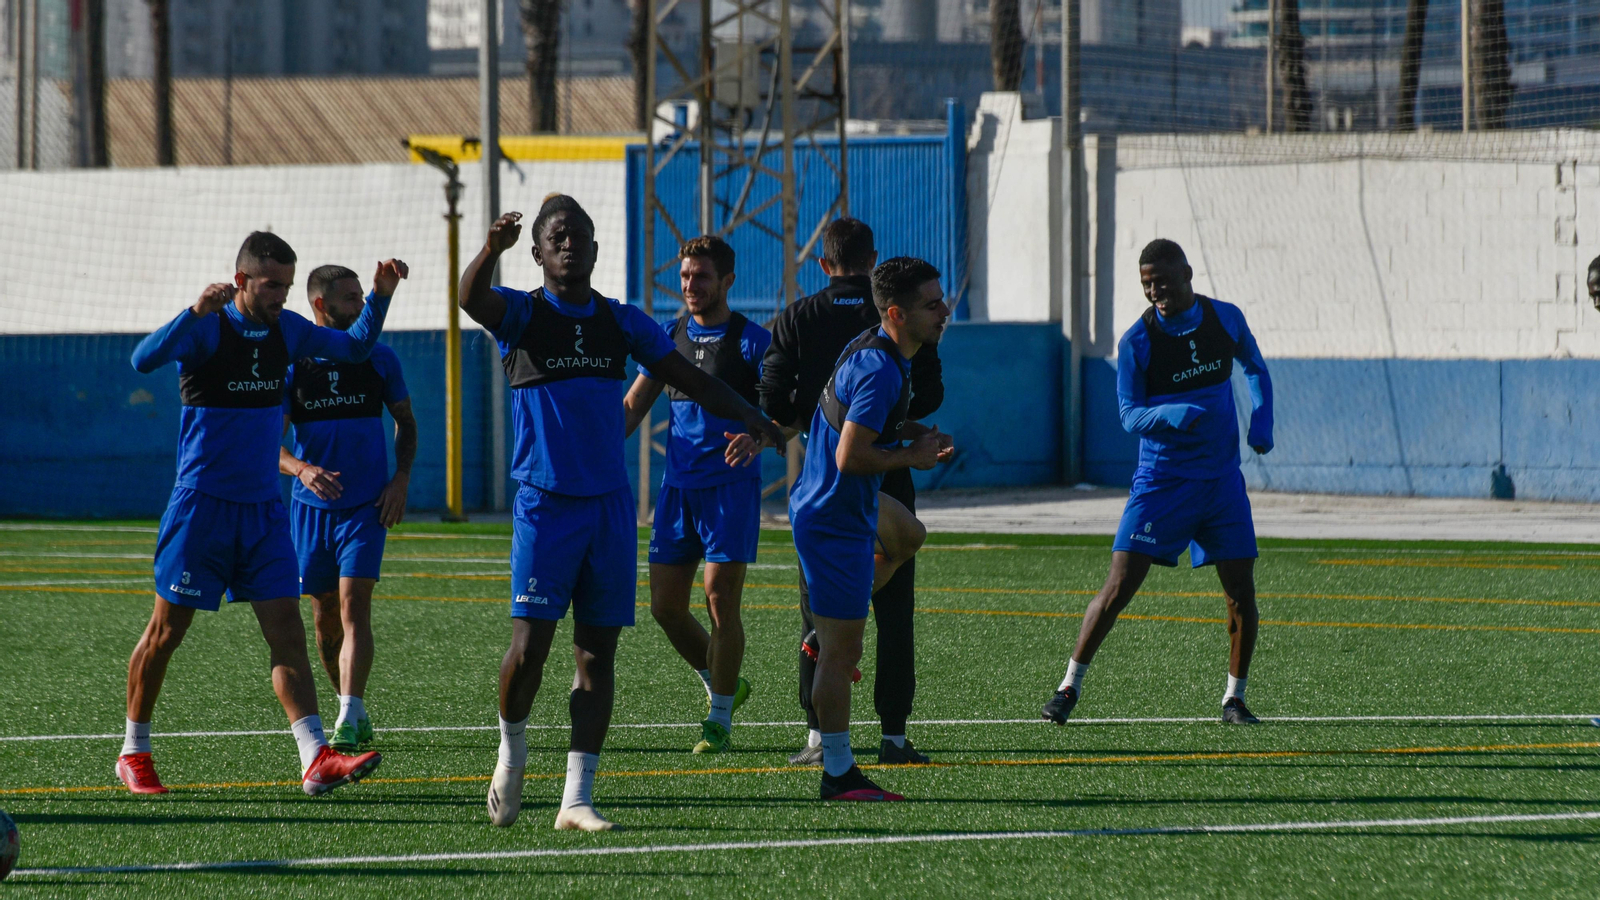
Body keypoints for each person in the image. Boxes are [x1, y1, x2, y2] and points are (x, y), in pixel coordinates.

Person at [459, 195, 784, 832]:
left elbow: (691, 379)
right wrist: (490, 251)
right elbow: (471, 298)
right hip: (544, 506)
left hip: (609, 511)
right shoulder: (523, 314)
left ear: (596, 248)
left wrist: (753, 417)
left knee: (596, 656)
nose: (569, 244)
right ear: (538, 253)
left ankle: (576, 799)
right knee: (529, 650)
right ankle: (512, 755)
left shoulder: (622, 320)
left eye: (579, 234)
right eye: (557, 236)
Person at [123, 232, 405, 796]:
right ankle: (134, 750)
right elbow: (143, 359)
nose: (281, 295)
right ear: (242, 280)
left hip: (263, 513)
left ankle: (315, 757)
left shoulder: (289, 331)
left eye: (287, 285)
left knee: (288, 633)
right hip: (201, 507)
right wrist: (192, 312)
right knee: (167, 632)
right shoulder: (208, 328)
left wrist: (380, 296)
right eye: (272, 284)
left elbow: (354, 349)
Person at [1041, 238, 1274, 727]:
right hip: (1162, 481)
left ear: (1187, 273)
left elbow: (1255, 367)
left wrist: (1262, 419)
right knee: (1119, 585)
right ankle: (1068, 687)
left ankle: (1234, 700)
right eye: (1147, 284)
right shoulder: (1138, 341)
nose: (1155, 292)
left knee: (1240, 593)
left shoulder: (1225, 318)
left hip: (1221, 483)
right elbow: (1129, 416)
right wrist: (1170, 413)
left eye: (1163, 281)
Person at [758, 217, 945, 766]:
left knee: (909, 536)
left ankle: (829, 737)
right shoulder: (881, 367)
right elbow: (850, 455)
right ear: (896, 312)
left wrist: (914, 434)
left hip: (839, 496)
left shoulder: (874, 349)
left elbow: (802, 404)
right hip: (834, 508)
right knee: (845, 652)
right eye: (933, 304)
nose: (944, 312)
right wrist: (912, 454)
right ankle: (838, 766)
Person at [623, 235, 771, 755]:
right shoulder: (668, 337)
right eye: (685, 275)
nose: (690, 284)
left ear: (727, 281)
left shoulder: (753, 342)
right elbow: (633, 406)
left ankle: (720, 718)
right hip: (677, 491)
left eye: (701, 276)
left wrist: (759, 437)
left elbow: (784, 413)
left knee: (719, 601)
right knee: (664, 606)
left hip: (730, 489)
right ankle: (723, 680)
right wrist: (591, 446)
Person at [279, 264, 417, 753]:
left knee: (354, 603)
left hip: (365, 506)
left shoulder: (380, 358)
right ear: (321, 305)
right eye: (352, 299)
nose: (361, 306)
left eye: (363, 296)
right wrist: (301, 469)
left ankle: (348, 712)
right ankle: (351, 709)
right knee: (324, 621)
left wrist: (400, 479)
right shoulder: (293, 366)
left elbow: (406, 422)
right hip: (310, 511)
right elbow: (269, 445)